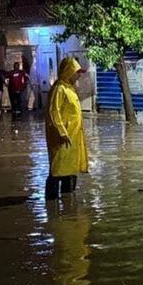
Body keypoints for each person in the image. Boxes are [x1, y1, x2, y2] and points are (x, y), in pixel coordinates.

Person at [45, 57, 89, 200]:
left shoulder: (70, 88)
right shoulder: (59, 89)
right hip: (62, 138)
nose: (78, 75)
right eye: (76, 72)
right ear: (68, 72)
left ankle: (68, 202)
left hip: (73, 137)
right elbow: (54, 112)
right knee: (58, 169)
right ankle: (52, 204)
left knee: (70, 170)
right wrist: (62, 132)